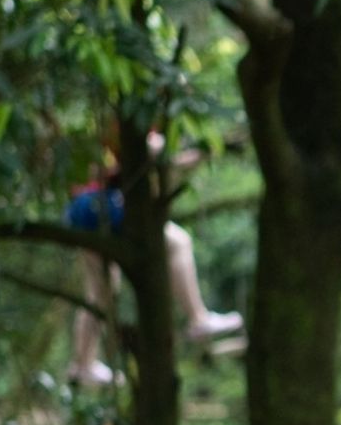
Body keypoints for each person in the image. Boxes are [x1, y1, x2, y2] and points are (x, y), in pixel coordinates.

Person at [65, 134, 243, 386]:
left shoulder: (113, 130)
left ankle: (82, 364)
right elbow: (164, 157)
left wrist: (203, 152)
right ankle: (198, 318)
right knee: (178, 241)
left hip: (82, 208)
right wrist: (204, 150)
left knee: (100, 291)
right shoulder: (140, 126)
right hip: (101, 204)